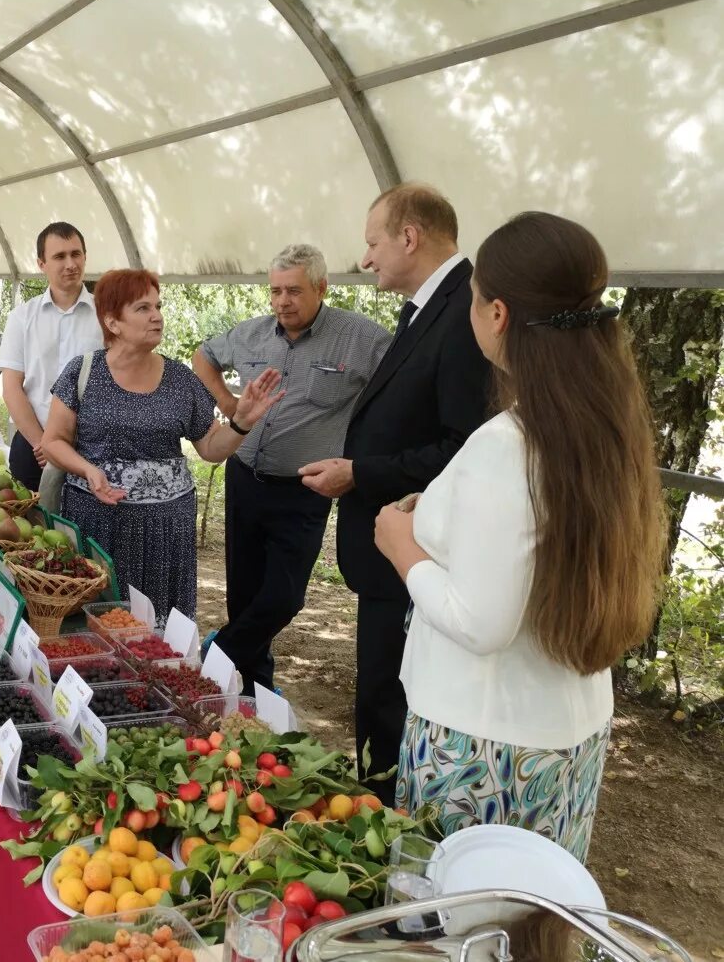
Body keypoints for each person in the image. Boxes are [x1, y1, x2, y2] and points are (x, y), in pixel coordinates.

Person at [374, 211, 664, 860]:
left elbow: (484, 620)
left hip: (480, 747)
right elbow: (527, 544)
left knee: (451, 926)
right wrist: (440, 511)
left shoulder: (508, 444)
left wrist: (404, 544)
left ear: (496, 313)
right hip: (563, 735)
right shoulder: (600, 428)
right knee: (532, 923)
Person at [299, 183, 491, 804]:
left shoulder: (466, 314)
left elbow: (461, 447)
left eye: (374, 243)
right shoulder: (427, 310)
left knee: (390, 693)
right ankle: (376, 805)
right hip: (391, 547)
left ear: (410, 238)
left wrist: (361, 473)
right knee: (379, 686)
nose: (367, 259)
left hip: (418, 546)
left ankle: (387, 819)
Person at [193, 245, 390, 695]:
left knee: (283, 597)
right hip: (245, 480)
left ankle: (212, 659)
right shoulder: (253, 334)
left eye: (294, 291)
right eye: (276, 291)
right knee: (244, 598)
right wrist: (228, 404)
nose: (282, 301)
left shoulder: (360, 338)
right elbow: (203, 358)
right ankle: (252, 692)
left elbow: (399, 387)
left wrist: (365, 448)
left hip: (304, 489)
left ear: (321, 287)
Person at [41, 269, 284, 622]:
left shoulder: (181, 379)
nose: (157, 316)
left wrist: (242, 422)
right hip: (99, 526)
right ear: (113, 322)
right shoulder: (83, 372)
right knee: (98, 622)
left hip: (165, 532)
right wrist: (87, 470)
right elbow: (53, 442)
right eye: (142, 308)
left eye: (158, 306)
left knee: (157, 629)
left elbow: (211, 448)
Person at [0, 221, 103, 492]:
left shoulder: (106, 317)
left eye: (76, 254)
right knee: (29, 529)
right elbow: (11, 388)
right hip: (34, 449)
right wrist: (42, 443)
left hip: (92, 450)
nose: (70, 263)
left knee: (80, 531)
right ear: (41, 264)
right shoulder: (22, 318)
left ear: (85, 257)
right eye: (59, 256)